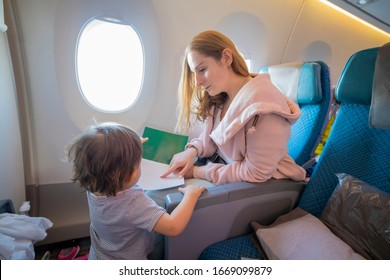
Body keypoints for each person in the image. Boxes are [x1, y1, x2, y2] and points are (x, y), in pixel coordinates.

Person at [161, 30, 306, 185]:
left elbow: (256, 172)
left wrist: (197, 172)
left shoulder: (264, 107)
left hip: (264, 189)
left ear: (227, 58)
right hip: (228, 175)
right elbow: (212, 140)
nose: (197, 82)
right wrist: (192, 151)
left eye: (202, 70)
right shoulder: (220, 98)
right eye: (194, 73)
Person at [66, 122, 205, 260]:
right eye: (139, 162)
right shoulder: (133, 203)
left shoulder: (94, 184)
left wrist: (130, 148)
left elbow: (105, 156)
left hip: (100, 254)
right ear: (128, 174)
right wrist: (191, 195)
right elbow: (173, 226)